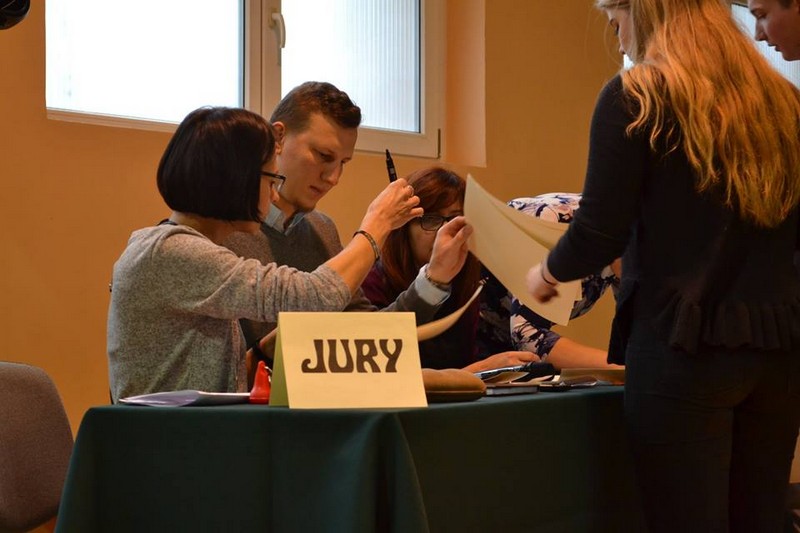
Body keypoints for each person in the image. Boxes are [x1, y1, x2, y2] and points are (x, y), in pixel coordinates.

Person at [526, 1, 800, 531]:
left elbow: (598, 231)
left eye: (616, 20)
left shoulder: (636, 96)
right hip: (778, 351)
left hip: (682, 350)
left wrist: (547, 272)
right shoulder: (783, 102)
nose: (618, 38)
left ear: (644, 11)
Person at [107, 106, 471, 402]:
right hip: (171, 448)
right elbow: (312, 295)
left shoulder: (186, 248)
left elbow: (363, 333)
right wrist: (376, 226)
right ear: (234, 179)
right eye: (270, 179)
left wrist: (264, 354)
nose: (273, 193)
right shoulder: (172, 250)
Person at [224, 82, 466, 361]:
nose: (333, 178)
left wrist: (434, 278)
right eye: (324, 156)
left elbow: (369, 333)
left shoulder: (322, 230)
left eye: (343, 163)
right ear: (278, 138)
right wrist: (376, 226)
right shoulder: (219, 230)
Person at [361, 167, 619, 372]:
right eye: (430, 219)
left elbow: (458, 365)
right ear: (403, 227)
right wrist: (480, 369)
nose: (445, 231)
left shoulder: (462, 278)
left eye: (455, 218)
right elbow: (385, 375)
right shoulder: (373, 281)